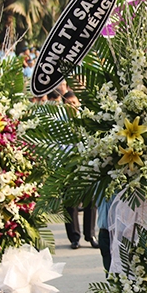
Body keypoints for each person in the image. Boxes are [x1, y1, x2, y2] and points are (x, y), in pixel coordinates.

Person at [62, 91, 99, 250]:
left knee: (90, 202)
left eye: (74, 103)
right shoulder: (59, 123)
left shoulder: (86, 121)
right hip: (67, 166)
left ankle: (90, 235)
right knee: (70, 204)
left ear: (78, 104)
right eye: (68, 103)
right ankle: (74, 237)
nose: (72, 106)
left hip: (86, 165)